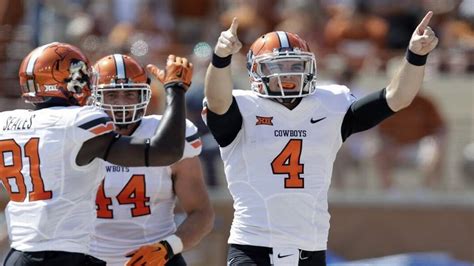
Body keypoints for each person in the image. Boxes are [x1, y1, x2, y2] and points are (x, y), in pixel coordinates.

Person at [203, 11, 438, 266]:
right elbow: (217, 101)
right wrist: (220, 58)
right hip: (253, 246)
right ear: (256, 71)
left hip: (311, 247)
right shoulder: (243, 106)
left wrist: (416, 55)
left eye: (296, 66)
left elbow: (397, 97)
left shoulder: (329, 105)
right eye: (277, 66)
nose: (288, 74)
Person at [0, 42, 192, 265]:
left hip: (18, 255)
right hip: (62, 256)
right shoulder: (76, 123)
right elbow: (166, 151)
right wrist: (176, 90)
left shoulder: (6, 123)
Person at [88, 54, 214, 266]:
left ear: (145, 96)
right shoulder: (78, 134)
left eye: (130, 94)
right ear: (94, 96)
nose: (121, 103)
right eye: (111, 95)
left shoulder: (167, 135)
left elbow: (201, 213)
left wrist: (168, 247)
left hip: (157, 258)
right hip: (90, 259)